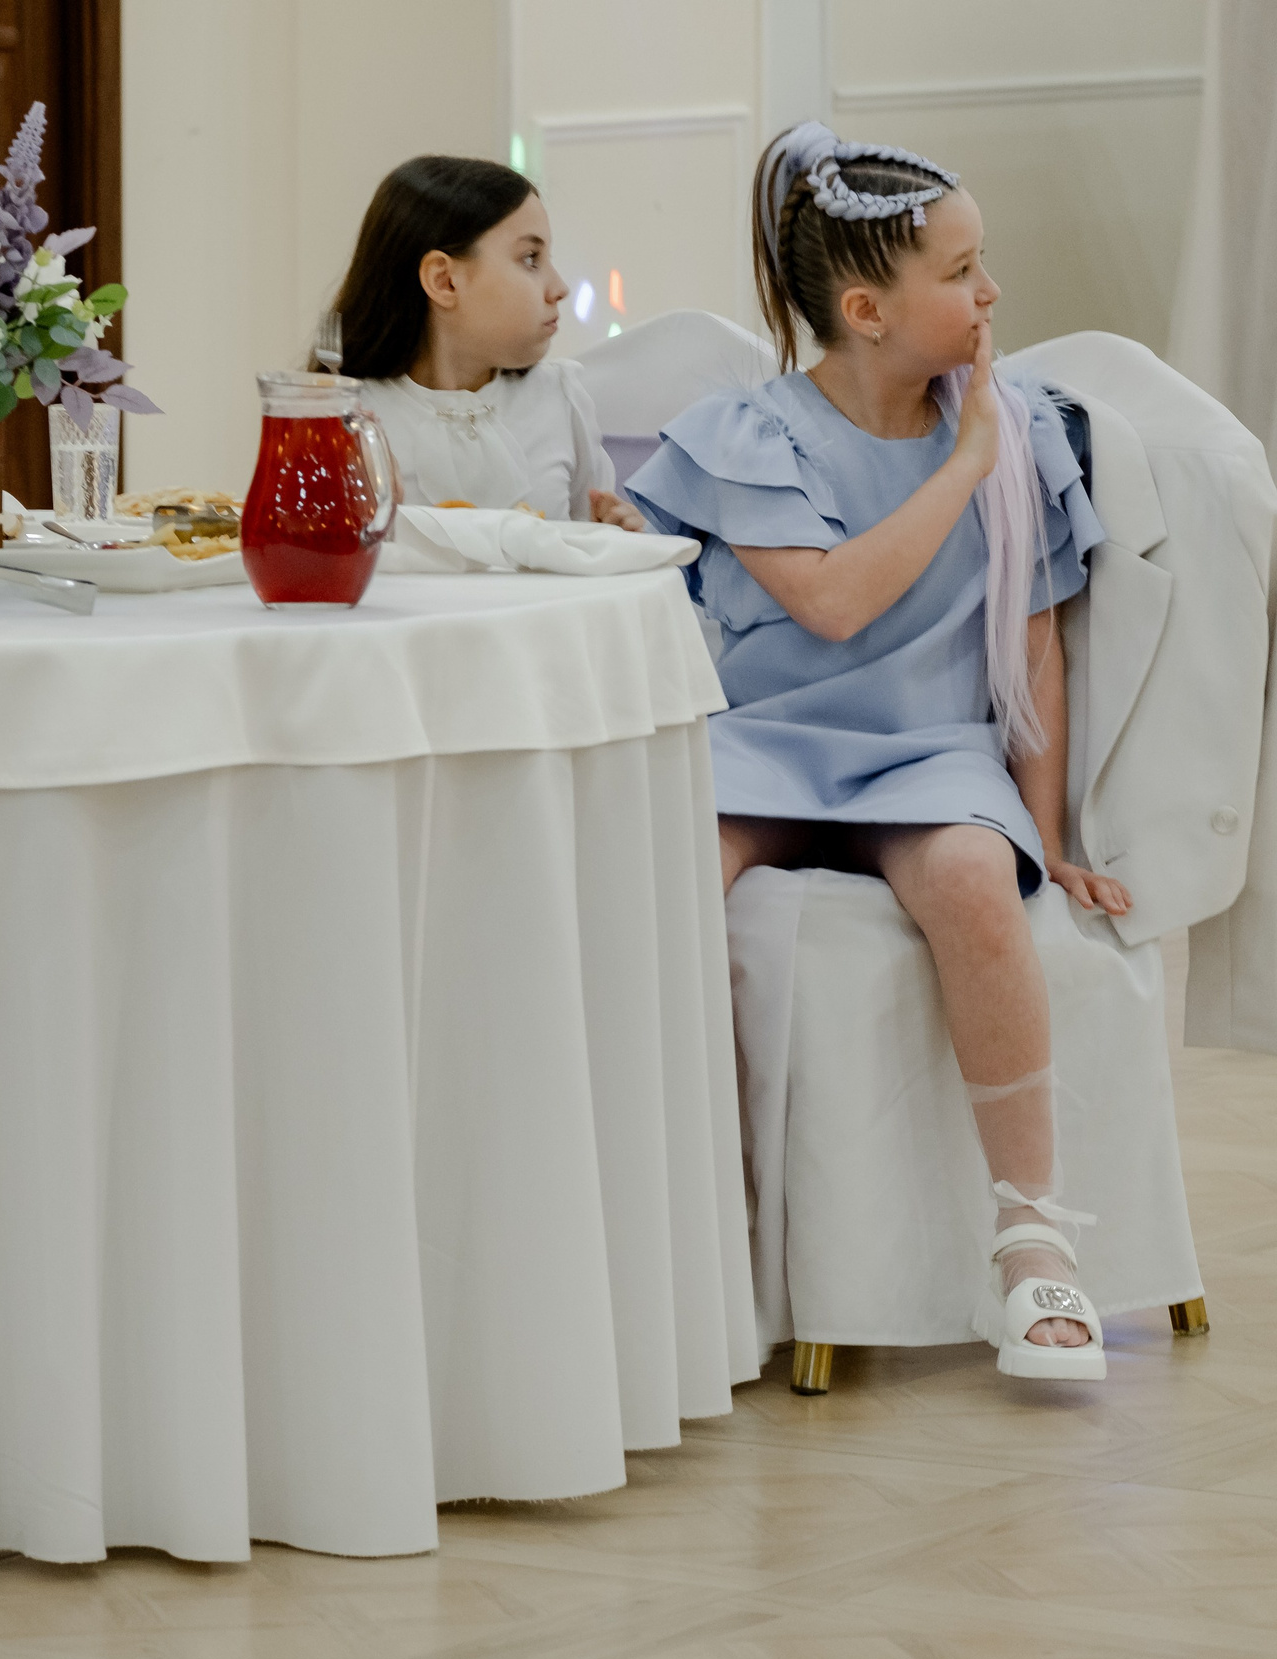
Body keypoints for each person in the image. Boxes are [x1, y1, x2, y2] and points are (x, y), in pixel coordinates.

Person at [626, 123, 1118, 1380]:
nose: (990, 293)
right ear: (865, 309)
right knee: (662, 875)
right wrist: (962, 467)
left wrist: (1045, 840)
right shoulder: (753, 433)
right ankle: (678, 1231)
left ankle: (1032, 1239)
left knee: (967, 877)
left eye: (981, 263)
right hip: (765, 742)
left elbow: (1038, 652)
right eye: (960, 273)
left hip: (922, 754)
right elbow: (834, 603)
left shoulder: (1025, 437)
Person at [329, 155, 638, 528]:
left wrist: (617, 535)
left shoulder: (560, 398)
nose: (559, 288)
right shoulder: (348, 420)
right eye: (530, 258)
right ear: (445, 281)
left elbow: (588, 537)